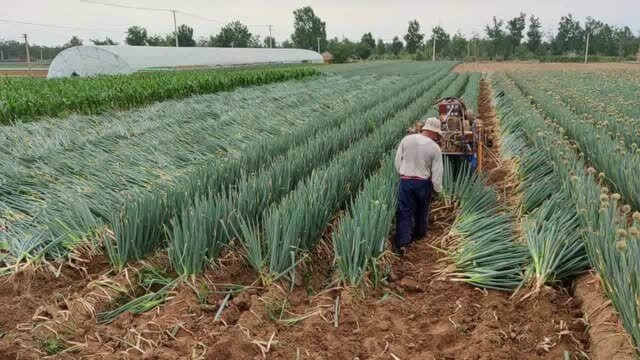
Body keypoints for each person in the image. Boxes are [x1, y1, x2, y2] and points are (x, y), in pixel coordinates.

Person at [394, 117, 443, 255]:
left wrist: (402, 173)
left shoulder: (406, 140)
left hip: (406, 181)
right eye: (437, 134)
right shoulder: (435, 148)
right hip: (423, 183)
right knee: (422, 210)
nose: (437, 136)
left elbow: (398, 161)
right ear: (433, 132)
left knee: (404, 211)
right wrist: (437, 188)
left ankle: (403, 242)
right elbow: (437, 172)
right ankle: (419, 235)